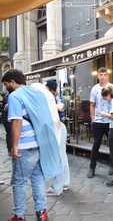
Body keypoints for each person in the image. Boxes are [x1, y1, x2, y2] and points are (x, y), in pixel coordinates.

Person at [2, 69, 62, 221]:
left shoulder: (14, 96)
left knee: (19, 181)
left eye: (6, 84)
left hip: (24, 144)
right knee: (37, 179)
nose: (6, 87)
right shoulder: (37, 93)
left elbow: (17, 121)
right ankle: (41, 213)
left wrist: (15, 146)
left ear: (13, 82)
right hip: (40, 142)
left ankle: (19, 215)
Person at [87, 67, 113, 178]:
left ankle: (112, 165)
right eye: (101, 74)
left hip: (110, 121)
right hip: (98, 122)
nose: (103, 76)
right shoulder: (94, 89)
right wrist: (93, 119)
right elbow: (92, 104)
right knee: (96, 145)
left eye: (105, 74)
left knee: (112, 145)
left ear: (108, 76)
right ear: (98, 76)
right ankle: (92, 168)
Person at [45, 80, 70, 196]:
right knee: (60, 156)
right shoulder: (53, 99)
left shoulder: (53, 99)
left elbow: (60, 107)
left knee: (59, 157)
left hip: (58, 129)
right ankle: (63, 183)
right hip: (58, 128)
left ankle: (58, 186)